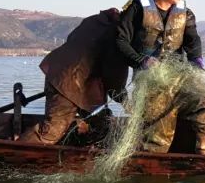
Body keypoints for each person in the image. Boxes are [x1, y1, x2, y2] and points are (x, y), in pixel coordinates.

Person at [116, 0, 205, 155]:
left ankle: (203, 149)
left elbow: (192, 40)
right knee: (158, 135)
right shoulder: (136, 8)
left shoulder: (185, 12)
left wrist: (196, 59)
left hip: (179, 74)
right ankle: (154, 158)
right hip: (149, 78)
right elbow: (120, 41)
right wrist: (141, 61)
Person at [17, 8, 129, 145]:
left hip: (78, 81)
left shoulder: (98, 20)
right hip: (67, 81)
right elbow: (114, 80)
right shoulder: (120, 37)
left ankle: (86, 156)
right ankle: (10, 155)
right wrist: (126, 102)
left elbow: (72, 39)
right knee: (51, 132)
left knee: (101, 123)